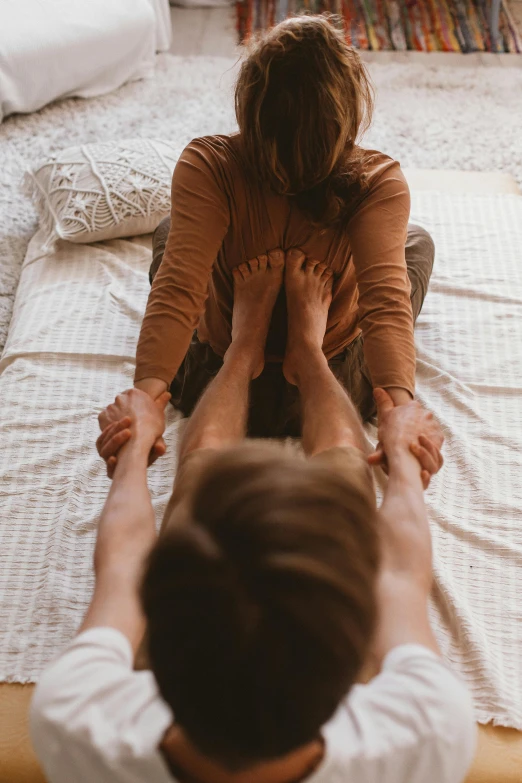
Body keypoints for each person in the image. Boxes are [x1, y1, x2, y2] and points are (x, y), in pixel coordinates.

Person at [30, 252, 476, 783]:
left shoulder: (75, 717)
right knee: (342, 495)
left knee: (205, 493)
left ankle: (244, 349)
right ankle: (307, 352)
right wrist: (401, 458)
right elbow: (401, 576)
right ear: (358, 649)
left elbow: (123, 564)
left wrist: (135, 445)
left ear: (155, 647)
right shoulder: (430, 730)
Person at [118, 13, 435, 476]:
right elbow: (385, 306)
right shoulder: (378, 181)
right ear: (346, 110)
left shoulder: (207, 166)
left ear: (250, 103)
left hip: (212, 382)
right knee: (416, 244)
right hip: (337, 387)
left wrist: (144, 403)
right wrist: (396, 411)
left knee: (171, 233)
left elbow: (177, 291)